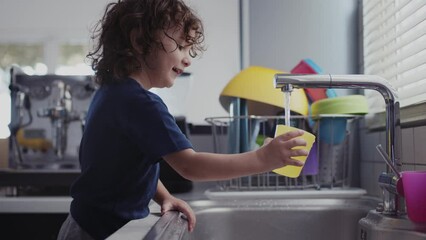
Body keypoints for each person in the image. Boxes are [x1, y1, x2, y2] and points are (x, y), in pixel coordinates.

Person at [57, 0, 308, 239]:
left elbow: (130, 165)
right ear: (138, 41)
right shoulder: (142, 104)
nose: (188, 58)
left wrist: (163, 196)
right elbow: (191, 166)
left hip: (87, 225)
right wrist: (262, 159)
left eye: (189, 49)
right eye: (180, 46)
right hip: (98, 232)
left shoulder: (113, 92)